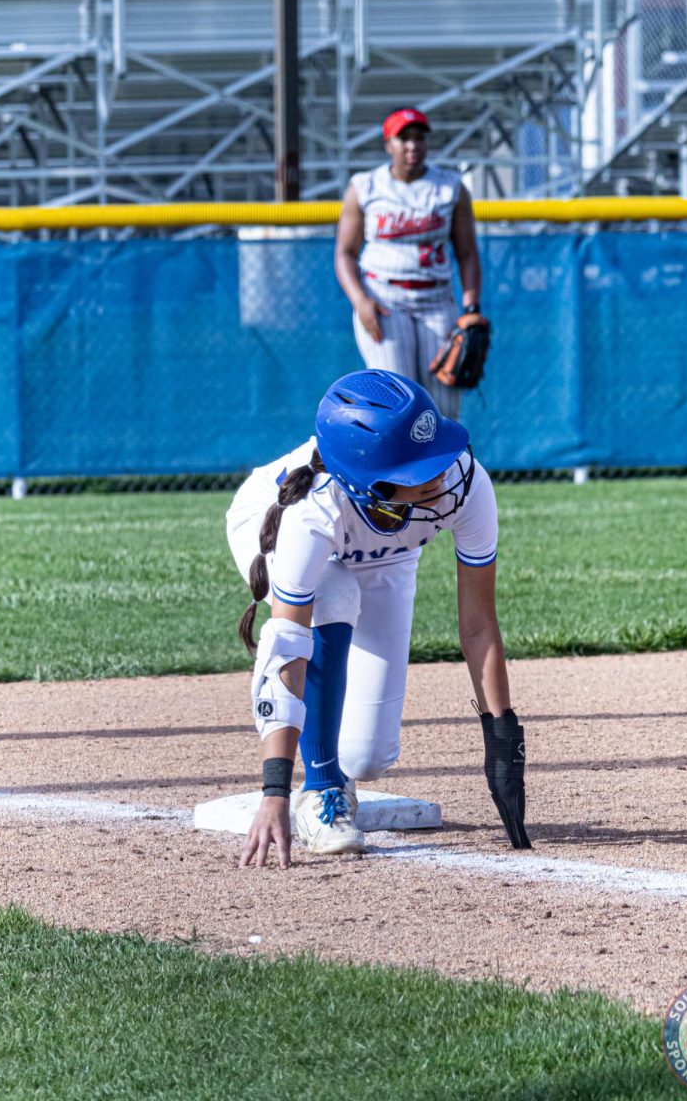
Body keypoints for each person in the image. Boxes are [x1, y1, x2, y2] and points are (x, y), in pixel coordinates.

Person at [225, 368, 530, 869]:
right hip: (270, 517)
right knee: (335, 589)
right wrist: (275, 791)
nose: (441, 476)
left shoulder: (464, 484)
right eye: (417, 472)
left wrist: (502, 740)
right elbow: (287, 645)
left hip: (389, 546)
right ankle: (320, 788)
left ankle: (336, 772)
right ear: (369, 483)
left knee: (368, 756)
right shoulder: (310, 512)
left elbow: (478, 625)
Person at [334, 107, 483, 422]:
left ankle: (449, 471)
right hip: (385, 301)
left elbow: (467, 253)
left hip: (436, 300)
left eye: (419, 137)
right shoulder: (365, 187)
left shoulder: (451, 187)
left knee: (443, 407)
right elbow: (345, 253)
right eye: (403, 138)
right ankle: (395, 472)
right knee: (397, 404)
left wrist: (470, 308)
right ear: (388, 144)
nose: (412, 145)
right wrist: (360, 301)